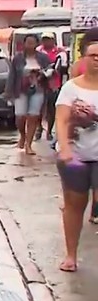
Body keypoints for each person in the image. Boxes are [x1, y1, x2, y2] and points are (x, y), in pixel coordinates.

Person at [54, 39, 98, 272]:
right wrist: (65, 148)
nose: (97, 61)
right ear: (83, 58)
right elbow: (61, 120)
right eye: (93, 56)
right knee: (74, 205)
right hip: (77, 156)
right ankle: (71, 255)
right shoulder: (71, 88)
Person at [7, 34, 52, 155]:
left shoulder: (43, 58)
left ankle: (28, 144)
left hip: (38, 90)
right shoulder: (18, 58)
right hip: (21, 90)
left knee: (33, 116)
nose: (30, 45)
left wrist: (43, 74)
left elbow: (50, 70)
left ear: (37, 44)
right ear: (24, 44)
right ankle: (22, 135)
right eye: (28, 42)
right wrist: (8, 92)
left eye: (33, 43)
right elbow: (12, 75)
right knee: (20, 116)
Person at [38, 32, 65, 141]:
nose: (46, 42)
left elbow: (62, 67)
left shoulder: (60, 52)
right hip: (39, 83)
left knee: (51, 109)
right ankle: (38, 129)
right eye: (44, 39)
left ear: (53, 40)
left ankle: (49, 131)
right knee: (38, 108)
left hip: (54, 84)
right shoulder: (38, 51)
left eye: (48, 39)